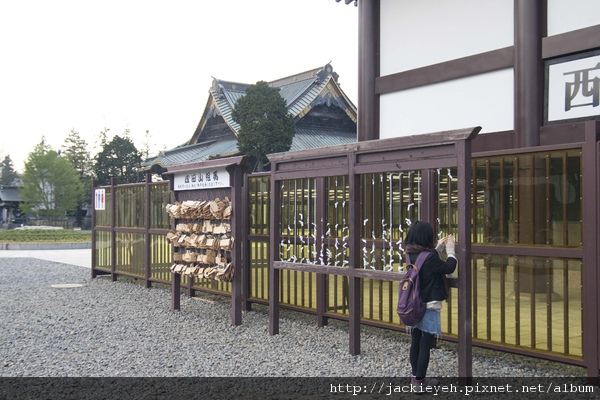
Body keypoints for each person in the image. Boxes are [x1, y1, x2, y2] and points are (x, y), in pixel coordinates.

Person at [403, 220, 457, 393]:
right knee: (425, 343)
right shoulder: (430, 258)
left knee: (416, 341)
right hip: (428, 305)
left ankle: (415, 377)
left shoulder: (410, 253)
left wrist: (439, 246)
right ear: (426, 237)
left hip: (413, 304)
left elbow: (425, 260)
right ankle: (420, 383)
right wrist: (450, 249)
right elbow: (449, 267)